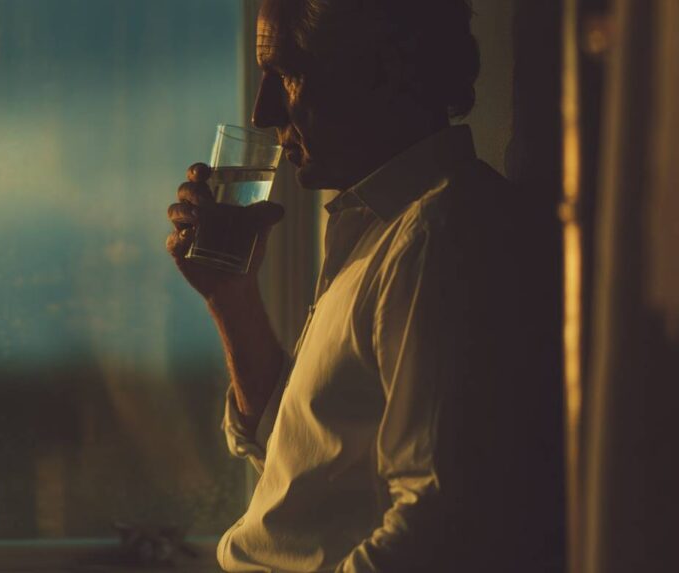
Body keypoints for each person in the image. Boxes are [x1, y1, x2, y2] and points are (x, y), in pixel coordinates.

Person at [166, 0, 565, 571]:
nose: (263, 111)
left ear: (386, 69)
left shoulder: (440, 238)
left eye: (288, 72)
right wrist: (230, 296)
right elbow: (313, 470)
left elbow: (437, 528)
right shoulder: (376, 230)